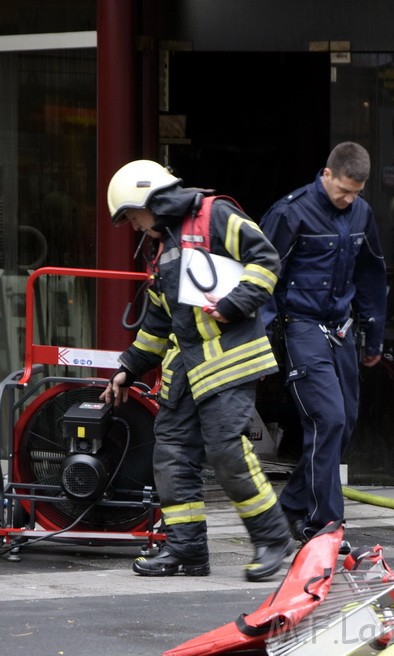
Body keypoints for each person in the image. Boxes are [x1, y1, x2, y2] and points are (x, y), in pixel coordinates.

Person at [101, 160, 292, 581]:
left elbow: (267, 260)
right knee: (170, 455)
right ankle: (186, 550)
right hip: (186, 368)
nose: (133, 226)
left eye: (133, 216)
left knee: (227, 452)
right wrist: (128, 370)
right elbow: (157, 323)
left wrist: (232, 304)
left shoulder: (215, 215)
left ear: (151, 199)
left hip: (229, 361)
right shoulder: (163, 244)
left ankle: (272, 538)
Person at [259, 142, 387, 543]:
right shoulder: (289, 212)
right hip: (299, 325)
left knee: (344, 422)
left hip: (341, 329)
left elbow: (371, 276)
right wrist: (260, 342)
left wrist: (374, 337)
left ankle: (293, 507)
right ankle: (325, 527)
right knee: (327, 419)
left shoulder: (362, 213)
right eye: (343, 191)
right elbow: (260, 278)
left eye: (356, 193)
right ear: (326, 174)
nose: (349, 200)